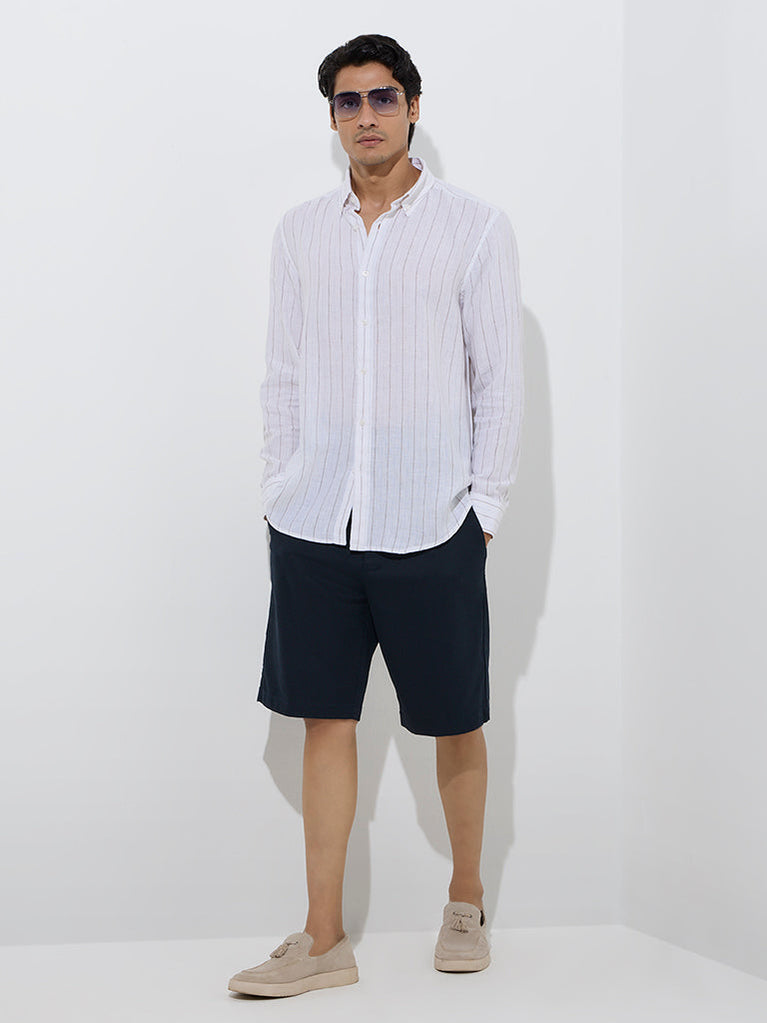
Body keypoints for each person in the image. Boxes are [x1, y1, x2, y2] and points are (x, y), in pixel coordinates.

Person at [228, 33, 524, 998]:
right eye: (348, 102)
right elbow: (281, 371)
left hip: (432, 521)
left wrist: (482, 511)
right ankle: (324, 939)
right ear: (331, 118)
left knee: (455, 720)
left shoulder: (474, 228)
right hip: (315, 523)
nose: (366, 116)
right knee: (325, 720)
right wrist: (280, 487)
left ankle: (465, 899)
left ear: (413, 107)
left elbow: (498, 379)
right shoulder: (299, 233)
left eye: (383, 97)